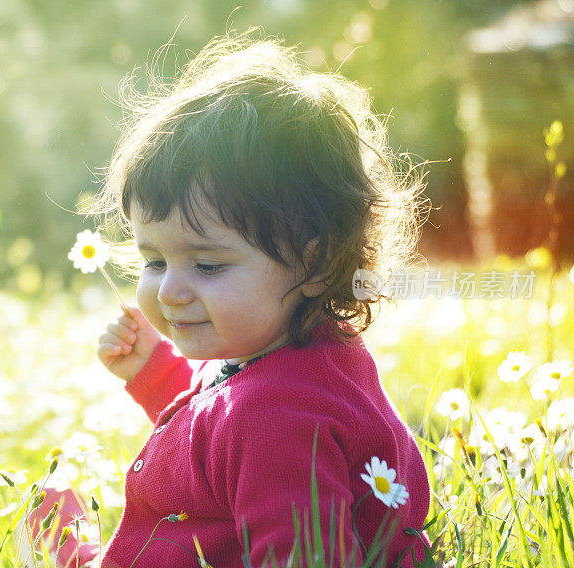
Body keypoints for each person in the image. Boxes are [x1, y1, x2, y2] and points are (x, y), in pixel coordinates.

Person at [37, 31, 432, 568]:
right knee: (49, 506)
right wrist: (156, 374)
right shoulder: (294, 357)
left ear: (314, 264)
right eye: (154, 261)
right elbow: (220, 441)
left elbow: (302, 551)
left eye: (207, 265)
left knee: (48, 517)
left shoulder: (279, 421)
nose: (170, 291)